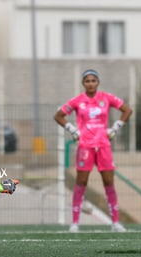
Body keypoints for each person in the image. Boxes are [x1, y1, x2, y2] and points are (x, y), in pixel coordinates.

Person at [54, 69, 133, 233]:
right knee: (81, 182)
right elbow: (59, 116)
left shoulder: (106, 98)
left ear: (98, 82)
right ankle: (75, 222)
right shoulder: (78, 101)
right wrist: (73, 130)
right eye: (87, 81)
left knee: (109, 182)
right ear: (83, 83)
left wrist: (115, 128)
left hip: (103, 145)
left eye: (93, 80)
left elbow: (127, 110)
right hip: (85, 146)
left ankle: (116, 223)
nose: (90, 83)